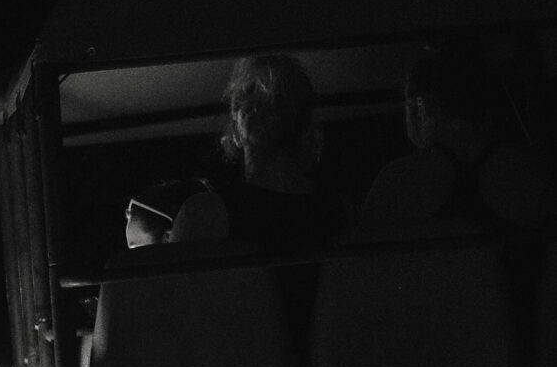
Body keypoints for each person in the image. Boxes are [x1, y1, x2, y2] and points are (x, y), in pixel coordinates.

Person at [124, 52, 339, 249]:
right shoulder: (342, 212)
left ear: (236, 132)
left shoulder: (207, 213)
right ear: (307, 129)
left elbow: (180, 290)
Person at [360, 34, 556, 228]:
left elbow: (366, 256)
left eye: (408, 108)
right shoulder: (532, 170)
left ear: (423, 106)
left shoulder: (398, 180)